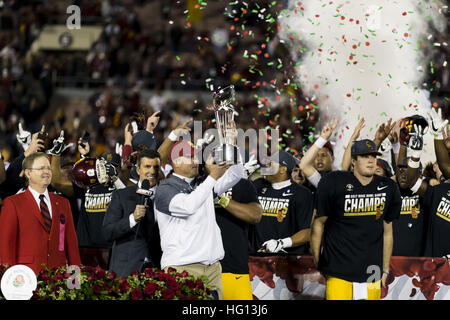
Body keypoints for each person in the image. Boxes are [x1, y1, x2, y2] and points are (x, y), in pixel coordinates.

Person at [311, 139, 401, 300]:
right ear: (353, 161)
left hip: (372, 270)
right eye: (365, 156)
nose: (371, 160)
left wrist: (385, 268)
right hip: (338, 268)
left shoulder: (388, 187)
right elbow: (318, 223)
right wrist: (318, 258)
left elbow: (388, 231)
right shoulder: (334, 182)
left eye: (373, 156)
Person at [154, 140, 244, 300]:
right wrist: (212, 177)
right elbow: (188, 207)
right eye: (190, 157)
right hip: (182, 267)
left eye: (196, 156)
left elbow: (235, 174)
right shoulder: (164, 188)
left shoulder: (204, 184)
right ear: (176, 162)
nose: (196, 161)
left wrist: (232, 143)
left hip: (212, 268)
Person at [0, 152, 81, 275]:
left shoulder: (63, 203)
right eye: (41, 168)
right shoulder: (12, 203)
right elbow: (6, 246)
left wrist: (75, 281)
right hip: (25, 278)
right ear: (28, 173)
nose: (47, 171)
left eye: (48, 168)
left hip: (58, 277)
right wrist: (9, 280)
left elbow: (71, 245)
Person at [103, 149, 162, 277]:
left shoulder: (167, 196)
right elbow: (107, 232)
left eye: (156, 167)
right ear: (138, 169)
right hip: (126, 269)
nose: (152, 171)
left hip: (159, 269)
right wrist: (132, 219)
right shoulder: (122, 195)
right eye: (147, 166)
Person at [212, 164, 262, 300]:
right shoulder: (196, 184)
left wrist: (221, 199)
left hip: (234, 266)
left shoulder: (242, 184)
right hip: (201, 267)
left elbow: (255, 215)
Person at [251, 150, 314, 255]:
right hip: (257, 258)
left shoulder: (301, 193)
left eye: (270, 163)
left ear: (282, 169)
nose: (266, 165)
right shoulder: (257, 185)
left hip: (288, 260)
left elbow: (307, 232)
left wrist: (281, 243)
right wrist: (242, 178)